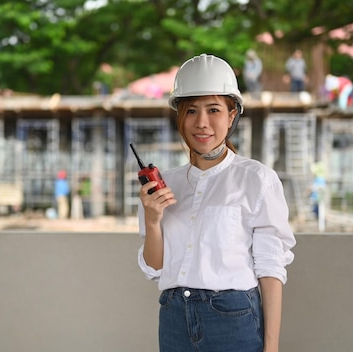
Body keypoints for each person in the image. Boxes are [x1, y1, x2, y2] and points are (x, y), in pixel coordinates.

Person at [137, 54, 296, 352]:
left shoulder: (257, 180)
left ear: (232, 114)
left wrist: (271, 347)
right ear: (179, 117)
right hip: (173, 317)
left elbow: (270, 267)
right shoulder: (163, 185)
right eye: (191, 111)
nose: (201, 123)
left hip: (233, 318)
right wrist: (152, 219)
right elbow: (155, 268)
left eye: (214, 110)